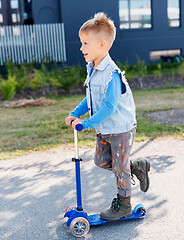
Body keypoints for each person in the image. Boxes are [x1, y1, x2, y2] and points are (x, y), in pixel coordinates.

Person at [65, 12, 150, 221]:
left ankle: (124, 206)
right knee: (101, 161)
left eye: (85, 43)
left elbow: (110, 107)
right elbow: (92, 99)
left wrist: (84, 123)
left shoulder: (111, 74)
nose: (81, 48)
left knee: (119, 169)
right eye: (81, 43)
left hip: (120, 128)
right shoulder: (93, 69)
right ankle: (136, 167)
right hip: (105, 128)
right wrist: (75, 113)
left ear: (101, 44)